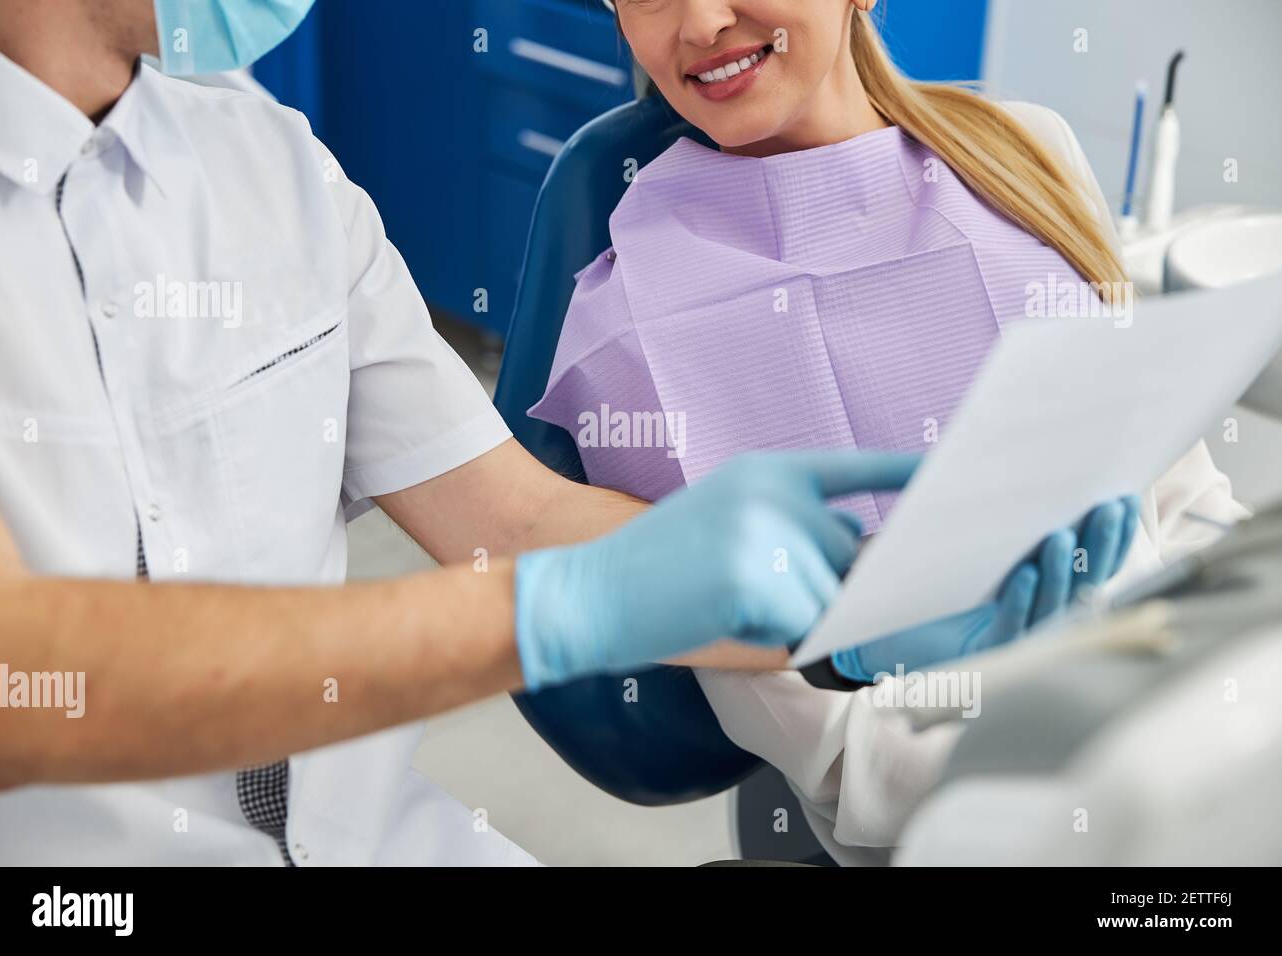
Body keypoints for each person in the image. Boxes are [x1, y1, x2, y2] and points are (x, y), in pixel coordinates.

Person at [0, 0, 933, 866]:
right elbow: (15, 681)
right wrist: (550, 611)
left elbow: (511, 519)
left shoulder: (269, 164)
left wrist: (906, 591)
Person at [532, 0, 1248, 861]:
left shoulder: (1025, 152)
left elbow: (1179, 488)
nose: (701, 21)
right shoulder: (635, 325)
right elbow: (836, 751)